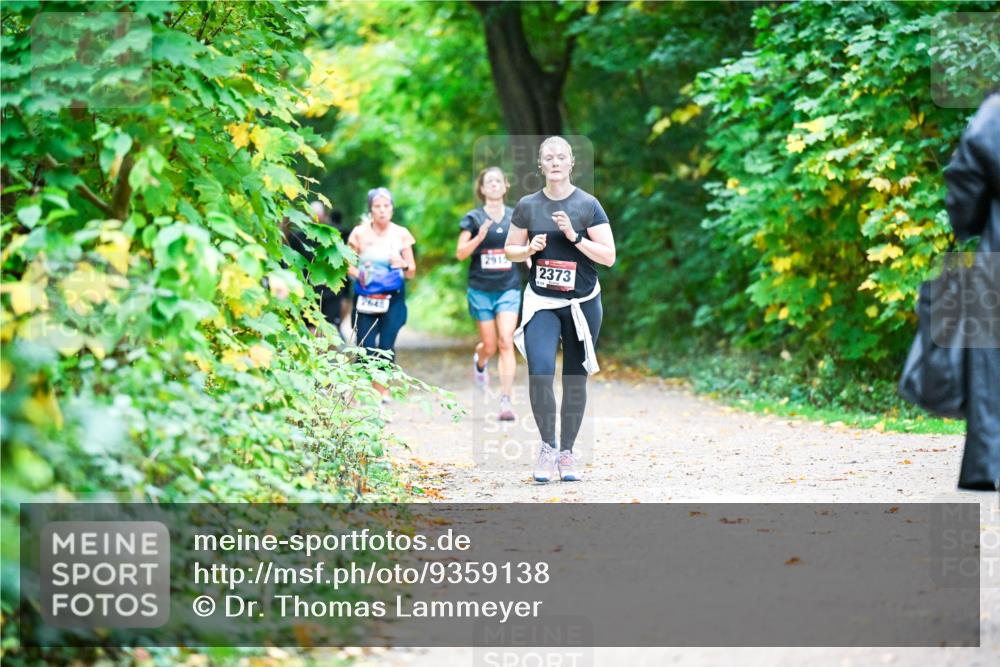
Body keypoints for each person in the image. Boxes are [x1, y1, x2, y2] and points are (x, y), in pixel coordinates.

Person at [505, 136, 616, 482]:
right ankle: (547, 447)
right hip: (542, 302)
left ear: (571, 163)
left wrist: (575, 237)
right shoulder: (527, 205)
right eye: (548, 157)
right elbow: (510, 249)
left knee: (574, 378)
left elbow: (609, 257)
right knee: (540, 371)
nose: (555, 162)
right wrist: (527, 250)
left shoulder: (587, 205)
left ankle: (566, 453)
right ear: (540, 165)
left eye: (561, 157)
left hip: (582, 303)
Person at [943, 89, 1000, 491]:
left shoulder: (995, 114)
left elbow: (966, 180)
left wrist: (968, 225)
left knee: (993, 359)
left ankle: (989, 461)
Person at [455, 167, 521, 420]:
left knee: (506, 341)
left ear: (505, 186)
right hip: (481, 289)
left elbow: (524, 246)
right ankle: (480, 362)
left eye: (498, 181)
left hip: (508, 288)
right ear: (481, 189)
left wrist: (529, 258)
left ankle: (505, 401)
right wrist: (479, 237)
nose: (494, 184)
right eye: (488, 182)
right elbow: (460, 253)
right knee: (490, 345)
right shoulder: (473, 218)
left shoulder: (516, 217)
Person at [347, 187, 417, 401]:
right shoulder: (358, 233)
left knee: (386, 346)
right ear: (371, 210)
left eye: (386, 206)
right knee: (365, 347)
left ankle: (381, 390)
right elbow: (346, 264)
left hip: (392, 297)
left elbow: (412, 271)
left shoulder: (401, 233)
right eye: (377, 206)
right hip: (366, 296)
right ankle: (364, 391)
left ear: (392, 209)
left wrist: (402, 264)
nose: (382, 210)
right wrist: (361, 274)